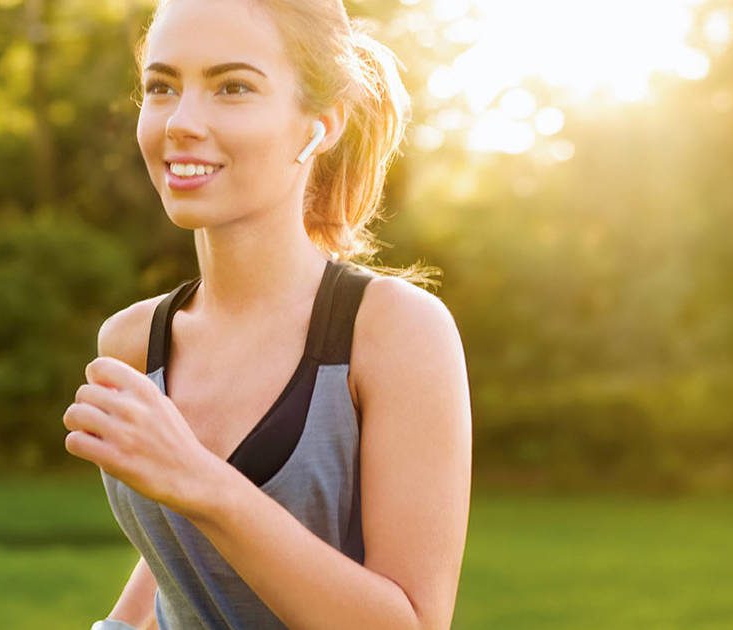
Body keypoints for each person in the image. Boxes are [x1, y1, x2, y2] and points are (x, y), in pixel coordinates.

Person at [62, 0, 472, 628]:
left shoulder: (394, 332)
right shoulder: (130, 342)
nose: (182, 121)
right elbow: (180, 562)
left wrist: (202, 482)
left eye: (232, 87)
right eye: (162, 87)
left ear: (320, 125)